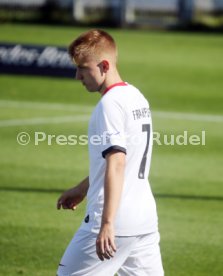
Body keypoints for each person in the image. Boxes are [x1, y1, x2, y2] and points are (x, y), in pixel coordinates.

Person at [56, 29, 164, 276]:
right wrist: (82, 189)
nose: (77, 76)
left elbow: (117, 162)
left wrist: (106, 224)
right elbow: (120, 160)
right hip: (144, 220)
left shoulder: (109, 105)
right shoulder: (136, 96)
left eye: (83, 69)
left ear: (103, 65)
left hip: (114, 220)